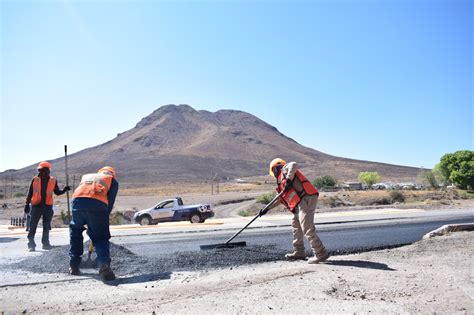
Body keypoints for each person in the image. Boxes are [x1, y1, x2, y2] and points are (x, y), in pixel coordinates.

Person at [262, 158, 330, 264]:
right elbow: (279, 199)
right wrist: (266, 209)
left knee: (306, 226)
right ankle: (299, 252)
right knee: (296, 226)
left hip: (306, 198)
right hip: (298, 204)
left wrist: (289, 180)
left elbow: (293, 164)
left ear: (275, 168)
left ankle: (320, 253)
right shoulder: (281, 184)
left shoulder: (285, 169)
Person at [69, 166, 119, 281]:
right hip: (97, 205)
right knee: (101, 237)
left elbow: (80, 195)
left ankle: (74, 265)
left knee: (75, 232)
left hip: (77, 203)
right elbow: (109, 203)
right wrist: (101, 222)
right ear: (112, 174)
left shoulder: (87, 176)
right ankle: (104, 265)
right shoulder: (112, 180)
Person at [24, 161, 70, 251]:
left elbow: (57, 192)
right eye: (40, 170)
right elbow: (30, 193)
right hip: (36, 206)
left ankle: (46, 244)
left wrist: (64, 190)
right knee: (33, 225)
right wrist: (26, 205)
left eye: (43, 170)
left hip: (48, 207)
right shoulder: (35, 180)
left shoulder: (53, 180)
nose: (41, 172)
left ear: (48, 170)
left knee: (46, 226)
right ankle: (31, 245)